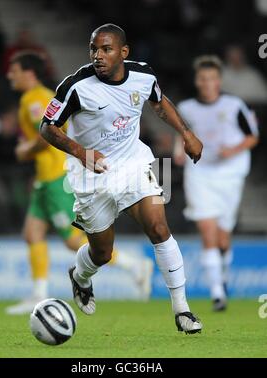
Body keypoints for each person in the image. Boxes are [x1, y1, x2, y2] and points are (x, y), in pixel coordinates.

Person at [40, 24, 203, 333]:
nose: (98, 56)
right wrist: (80, 152)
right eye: (93, 49)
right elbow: (47, 127)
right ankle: (81, 276)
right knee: (102, 253)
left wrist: (186, 133)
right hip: (91, 175)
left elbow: (158, 101)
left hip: (133, 164)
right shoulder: (75, 86)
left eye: (106, 49)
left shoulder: (144, 75)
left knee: (159, 227)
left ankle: (182, 310)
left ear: (123, 53)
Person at [6, 52, 153, 314]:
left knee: (72, 240)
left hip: (56, 176)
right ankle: (38, 294)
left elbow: (51, 132)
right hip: (44, 177)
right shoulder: (34, 97)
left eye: (14, 70)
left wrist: (25, 151)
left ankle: (134, 265)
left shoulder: (35, 100)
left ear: (29, 73)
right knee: (32, 234)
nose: (10, 75)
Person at [174, 55, 259, 311]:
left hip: (230, 175)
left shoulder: (235, 106)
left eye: (212, 78)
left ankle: (221, 274)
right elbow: (182, 133)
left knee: (223, 238)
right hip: (199, 173)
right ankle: (217, 294)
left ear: (219, 80)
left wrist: (232, 150)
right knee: (207, 231)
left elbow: (252, 136)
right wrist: (180, 149)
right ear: (197, 81)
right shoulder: (186, 108)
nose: (207, 83)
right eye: (203, 78)